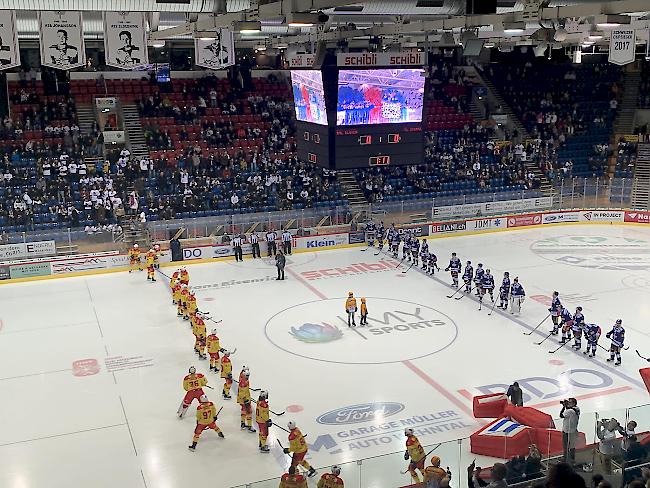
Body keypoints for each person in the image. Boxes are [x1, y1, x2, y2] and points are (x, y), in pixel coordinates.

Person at [560, 398, 580, 465]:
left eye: (569, 402)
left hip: (567, 431)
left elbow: (561, 415)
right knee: (572, 446)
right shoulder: (577, 408)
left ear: (573, 403)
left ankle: (565, 459)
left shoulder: (570, 411)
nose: (568, 403)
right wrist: (566, 406)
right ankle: (572, 459)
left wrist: (563, 407)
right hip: (573, 430)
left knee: (565, 446)